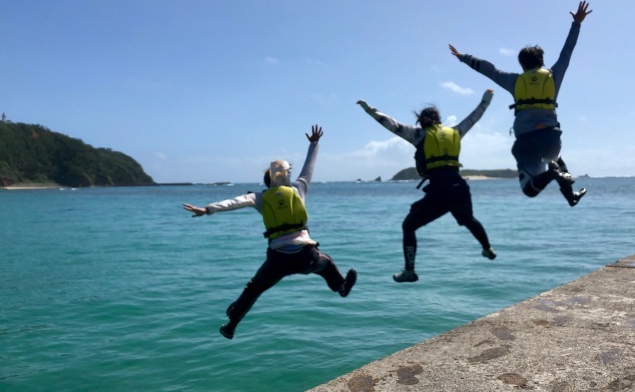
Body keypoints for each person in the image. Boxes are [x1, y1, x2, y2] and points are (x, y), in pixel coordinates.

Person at [183, 125, 357, 340]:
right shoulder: (299, 188)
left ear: (267, 183)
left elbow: (233, 202)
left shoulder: (259, 197)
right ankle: (341, 287)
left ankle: (231, 325)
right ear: (286, 179)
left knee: (253, 289)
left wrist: (207, 209)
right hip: (306, 257)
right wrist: (314, 143)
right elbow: (309, 168)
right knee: (326, 263)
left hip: (278, 261)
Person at [448, 1, 592, 207]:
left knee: (530, 189)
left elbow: (488, 69)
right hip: (551, 138)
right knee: (555, 156)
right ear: (541, 61)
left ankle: (555, 176)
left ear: (522, 64)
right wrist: (576, 23)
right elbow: (566, 52)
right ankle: (570, 195)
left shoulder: (515, 81)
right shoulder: (553, 76)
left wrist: (463, 57)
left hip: (525, 140)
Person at [356, 90, 497, 283]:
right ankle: (487, 248)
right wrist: (486, 100)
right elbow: (474, 117)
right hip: (460, 188)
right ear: (439, 120)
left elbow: (391, 124)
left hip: (440, 190)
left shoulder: (419, 135)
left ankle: (409, 271)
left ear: (421, 121)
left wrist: (367, 109)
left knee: (408, 226)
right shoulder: (455, 132)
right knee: (467, 219)